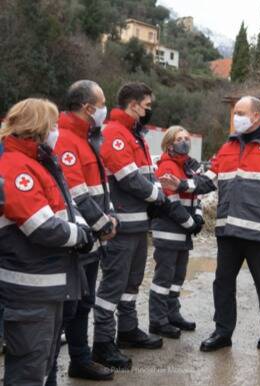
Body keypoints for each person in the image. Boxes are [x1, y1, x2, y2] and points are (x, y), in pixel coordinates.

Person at [0, 98, 94, 385]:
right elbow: (41, 227)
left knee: (43, 368)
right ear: (38, 127)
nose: (57, 131)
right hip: (30, 291)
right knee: (28, 372)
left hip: (48, 288)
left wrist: (80, 225)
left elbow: (68, 207)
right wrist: (82, 235)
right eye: (53, 125)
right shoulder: (15, 166)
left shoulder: (38, 163)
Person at [199, 96, 260, 352]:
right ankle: (222, 332)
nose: (236, 117)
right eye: (235, 112)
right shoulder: (229, 146)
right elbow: (209, 179)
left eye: (241, 112)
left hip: (259, 231)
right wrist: (179, 185)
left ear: (256, 116)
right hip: (228, 230)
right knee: (222, 282)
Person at [95, 82, 166, 370]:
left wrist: (157, 189)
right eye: (147, 105)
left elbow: (148, 174)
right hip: (121, 226)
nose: (149, 110)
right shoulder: (115, 133)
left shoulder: (136, 135)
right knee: (112, 286)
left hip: (137, 225)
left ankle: (127, 329)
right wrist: (158, 196)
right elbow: (128, 178)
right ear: (133, 104)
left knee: (131, 283)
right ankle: (102, 343)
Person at [50, 80, 116, 381]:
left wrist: (108, 216)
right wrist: (104, 225)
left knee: (83, 304)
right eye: (102, 104)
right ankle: (49, 369)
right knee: (68, 308)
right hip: (77, 240)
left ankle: (80, 359)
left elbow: (99, 186)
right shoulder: (66, 139)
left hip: (91, 239)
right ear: (88, 107)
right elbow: (76, 193)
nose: (105, 109)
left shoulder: (86, 138)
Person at [148, 126, 216, 339]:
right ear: (170, 144)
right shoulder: (167, 166)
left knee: (177, 277)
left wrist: (197, 217)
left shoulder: (188, 167)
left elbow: (195, 195)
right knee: (164, 278)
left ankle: (172, 313)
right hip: (169, 231)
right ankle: (158, 321)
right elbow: (170, 202)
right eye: (180, 139)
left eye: (187, 138)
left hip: (182, 233)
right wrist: (191, 223)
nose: (185, 141)